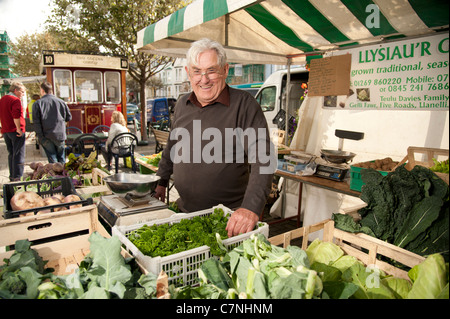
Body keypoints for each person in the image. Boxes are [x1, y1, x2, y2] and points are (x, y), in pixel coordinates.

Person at [153, 38, 276, 237]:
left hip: (228, 221)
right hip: (186, 215)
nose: (204, 79)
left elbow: (263, 158)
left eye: (211, 70)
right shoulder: (183, 103)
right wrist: (161, 181)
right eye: (197, 71)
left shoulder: (244, 105)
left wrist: (251, 208)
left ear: (225, 70)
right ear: (188, 73)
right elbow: (171, 147)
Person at [32, 81, 72, 164]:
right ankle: (64, 175)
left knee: (52, 160)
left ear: (42, 90)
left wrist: (40, 137)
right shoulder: (61, 102)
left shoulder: (37, 103)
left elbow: (36, 122)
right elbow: (69, 117)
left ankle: (56, 176)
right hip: (60, 134)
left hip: (46, 135)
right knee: (62, 159)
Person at [0, 81, 27, 181]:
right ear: (15, 90)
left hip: (6, 131)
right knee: (19, 154)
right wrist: (19, 129)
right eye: (22, 92)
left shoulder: (2, 99)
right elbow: (16, 116)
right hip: (15, 130)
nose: (23, 94)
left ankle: (12, 176)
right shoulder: (15, 100)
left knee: (11, 153)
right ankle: (17, 178)